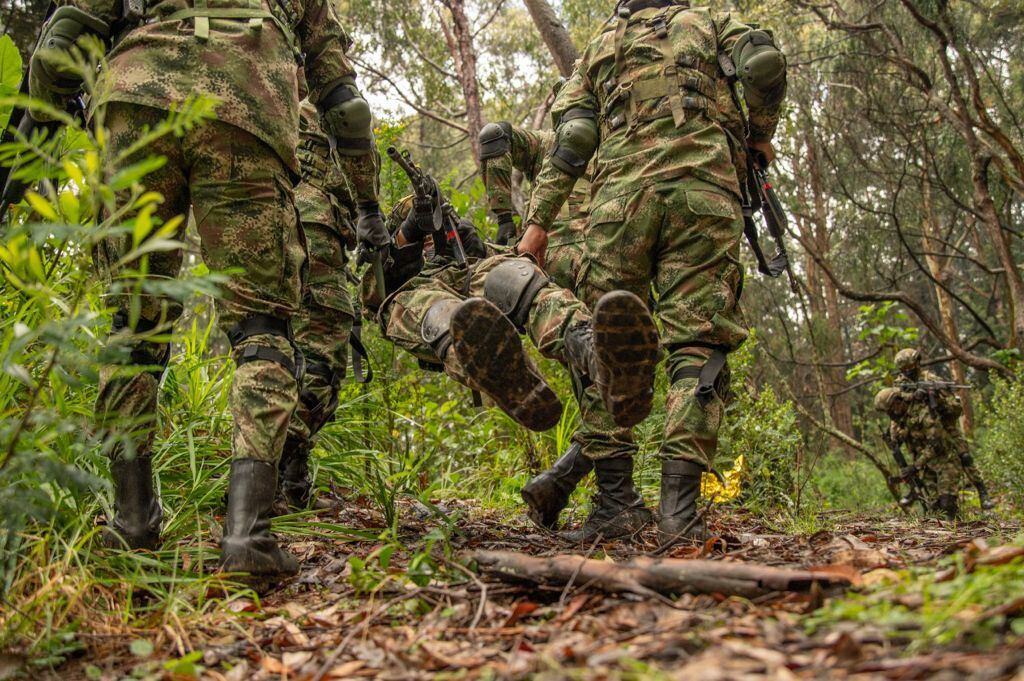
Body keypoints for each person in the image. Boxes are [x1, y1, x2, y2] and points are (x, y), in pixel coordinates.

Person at [29, 0, 386, 580]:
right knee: (262, 330)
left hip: (135, 99)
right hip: (246, 98)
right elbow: (347, 109)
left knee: (133, 329)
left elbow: (66, 36)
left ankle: (132, 524)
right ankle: (248, 536)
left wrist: (49, 107)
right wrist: (368, 204)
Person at [517, 0, 788, 545]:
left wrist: (538, 222)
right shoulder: (709, 20)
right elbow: (761, 63)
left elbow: (573, 141)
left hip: (618, 205)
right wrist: (760, 134)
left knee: (608, 344)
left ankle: (615, 505)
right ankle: (678, 517)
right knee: (698, 345)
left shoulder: (598, 47)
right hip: (704, 189)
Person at [361, 194, 660, 434]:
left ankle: (599, 355)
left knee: (517, 279)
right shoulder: (391, 273)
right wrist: (410, 233)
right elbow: (374, 295)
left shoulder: (466, 253)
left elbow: (512, 258)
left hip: (471, 274)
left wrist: (467, 241)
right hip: (423, 294)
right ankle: (509, 380)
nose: (429, 239)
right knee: (441, 313)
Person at [276, 100, 360, 513]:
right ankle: (275, 486)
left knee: (278, 351)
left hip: (274, 224)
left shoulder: (272, 93)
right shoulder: (322, 105)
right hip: (315, 228)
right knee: (321, 360)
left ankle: (286, 483)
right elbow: (361, 165)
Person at [893, 348, 993, 511]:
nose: (907, 372)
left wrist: (936, 398)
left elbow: (955, 409)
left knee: (965, 456)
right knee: (920, 466)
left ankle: (982, 492)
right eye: (904, 369)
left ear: (917, 363)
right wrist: (913, 396)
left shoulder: (931, 380)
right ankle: (919, 497)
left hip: (944, 427)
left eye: (910, 367)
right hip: (919, 432)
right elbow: (894, 403)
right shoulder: (900, 385)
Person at [874, 383, 962, 519]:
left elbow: (936, 444)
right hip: (927, 467)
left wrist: (915, 467)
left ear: (898, 402)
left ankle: (960, 533)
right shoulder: (899, 420)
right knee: (933, 508)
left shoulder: (923, 412)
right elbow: (901, 441)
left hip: (946, 460)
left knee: (947, 504)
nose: (890, 414)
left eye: (890, 410)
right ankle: (944, 536)